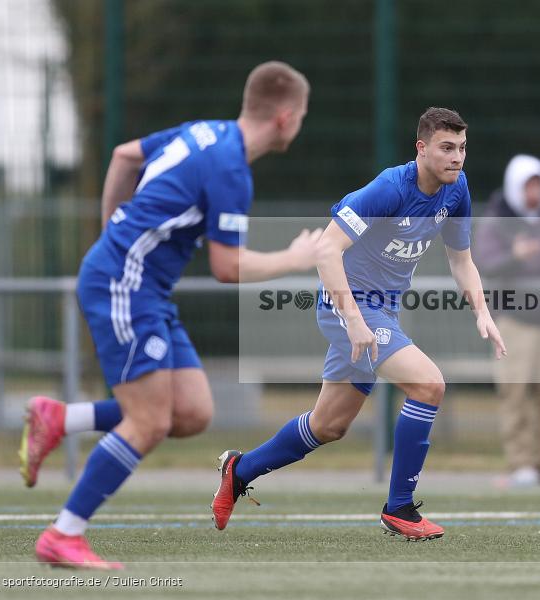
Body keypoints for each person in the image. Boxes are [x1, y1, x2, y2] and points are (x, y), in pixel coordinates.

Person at [22, 61, 321, 569]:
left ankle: (60, 418)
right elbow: (227, 267)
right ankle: (64, 533)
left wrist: (112, 231)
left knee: (191, 412)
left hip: (144, 287)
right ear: (285, 116)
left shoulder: (208, 132)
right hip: (127, 285)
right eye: (303, 115)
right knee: (149, 420)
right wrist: (294, 259)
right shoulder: (231, 170)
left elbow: (123, 156)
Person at [210, 107, 507, 541]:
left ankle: (239, 471)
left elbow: (461, 260)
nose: (457, 157)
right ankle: (400, 509)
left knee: (327, 426)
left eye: (462, 148)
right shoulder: (388, 189)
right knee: (429, 385)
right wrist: (353, 319)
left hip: (379, 314)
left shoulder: (456, 189)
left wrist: (482, 311)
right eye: (446, 148)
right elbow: (327, 251)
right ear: (421, 149)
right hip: (345, 306)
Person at [474, 154, 540, 487]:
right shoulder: (497, 220)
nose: (535, 193)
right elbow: (484, 264)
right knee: (514, 393)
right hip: (515, 319)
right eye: (528, 185)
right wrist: (515, 257)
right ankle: (521, 463)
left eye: (539, 185)